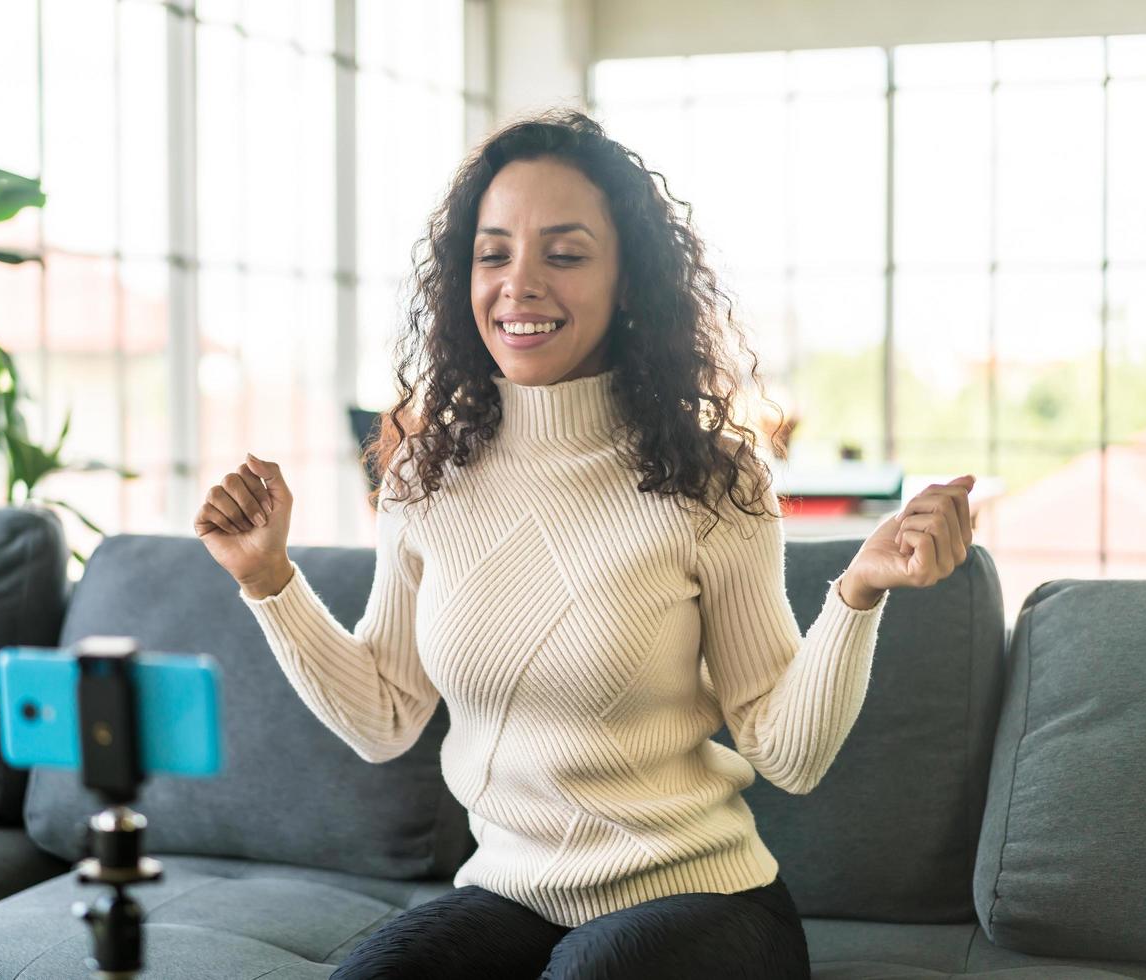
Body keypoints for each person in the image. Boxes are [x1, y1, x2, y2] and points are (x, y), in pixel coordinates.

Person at [192, 108, 974, 979]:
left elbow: (786, 753)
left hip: (704, 899)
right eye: (494, 253)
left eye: (563, 254)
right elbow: (384, 718)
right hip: (511, 894)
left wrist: (857, 592)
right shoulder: (423, 475)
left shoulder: (715, 477)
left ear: (628, 282)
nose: (519, 283)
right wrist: (268, 579)